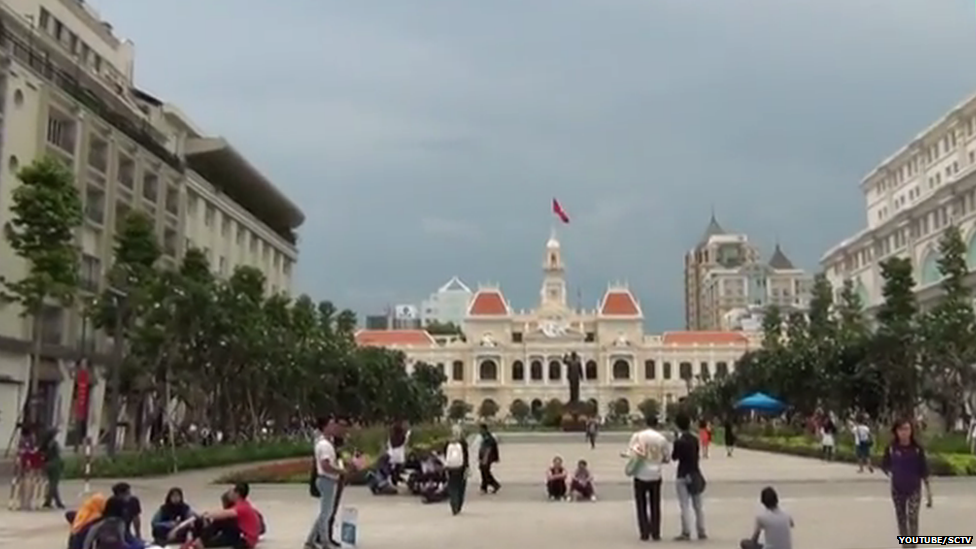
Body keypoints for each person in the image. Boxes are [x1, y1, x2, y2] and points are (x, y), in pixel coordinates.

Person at [881, 419, 932, 545]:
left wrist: (929, 493)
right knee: (901, 518)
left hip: (914, 488)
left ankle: (913, 545)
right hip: (897, 488)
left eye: (907, 429)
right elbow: (884, 465)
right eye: (901, 429)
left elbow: (924, 470)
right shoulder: (891, 448)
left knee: (913, 517)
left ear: (911, 431)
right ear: (896, 431)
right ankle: (905, 544)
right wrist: (892, 472)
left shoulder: (917, 449)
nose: (904, 432)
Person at [173, 483, 261, 549]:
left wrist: (205, 516)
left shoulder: (242, 507)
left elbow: (224, 514)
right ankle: (199, 542)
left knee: (221, 520)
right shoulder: (244, 505)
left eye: (231, 491)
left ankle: (200, 541)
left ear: (237, 494)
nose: (229, 494)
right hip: (243, 537)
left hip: (245, 542)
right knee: (219, 524)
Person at [626, 414, 670, 541]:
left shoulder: (637, 436)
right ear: (657, 424)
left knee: (641, 504)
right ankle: (655, 532)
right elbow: (667, 458)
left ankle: (644, 532)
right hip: (655, 474)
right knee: (655, 504)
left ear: (645, 423)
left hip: (640, 474)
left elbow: (631, 453)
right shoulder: (661, 439)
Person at [304, 417, 344, 549]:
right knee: (326, 513)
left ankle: (311, 540)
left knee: (325, 512)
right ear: (325, 427)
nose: (334, 427)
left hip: (328, 479)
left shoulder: (327, 442)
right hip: (326, 479)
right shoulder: (324, 445)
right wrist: (341, 471)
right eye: (331, 425)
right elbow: (325, 465)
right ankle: (325, 542)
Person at [673, 412, 706, 541]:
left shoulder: (679, 441)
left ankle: (686, 531)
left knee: (684, 505)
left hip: (682, 474)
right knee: (698, 505)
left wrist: (676, 440)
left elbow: (674, 457)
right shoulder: (694, 439)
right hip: (695, 472)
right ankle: (701, 530)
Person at [325, 419, 349, 548]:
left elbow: (343, 457)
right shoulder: (329, 442)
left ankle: (328, 534)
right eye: (340, 427)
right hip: (331, 477)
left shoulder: (343, 441)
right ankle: (324, 535)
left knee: (333, 508)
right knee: (328, 508)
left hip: (339, 477)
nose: (343, 430)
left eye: (345, 427)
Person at [443, 425, 470, 515]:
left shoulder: (448, 442)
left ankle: (453, 505)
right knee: (461, 487)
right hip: (461, 467)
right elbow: (466, 456)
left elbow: (445, 455)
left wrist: (446, 466)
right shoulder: (463, 442)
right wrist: (467, 467)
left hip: (451, 468)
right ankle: (458, 505)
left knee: (452, 486)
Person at [40, 427, 65, 509]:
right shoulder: (54, 443)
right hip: (55, 464)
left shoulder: (45, 443)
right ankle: (48, 501)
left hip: (47, 464)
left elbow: (42, 453)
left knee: (52, 483)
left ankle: (57, 502)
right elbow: (58, 453)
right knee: (53, 484)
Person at [477, 423, 501, 494]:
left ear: (484, 429)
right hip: (485, 458)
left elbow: (488, 450)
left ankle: (493, 485)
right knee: (484, 472)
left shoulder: (488, 438)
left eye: (480, 429)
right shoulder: (485, 437)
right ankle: (486, 487)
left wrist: (484, 460)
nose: (479, 431)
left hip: (487, 458)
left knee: (485, 472)